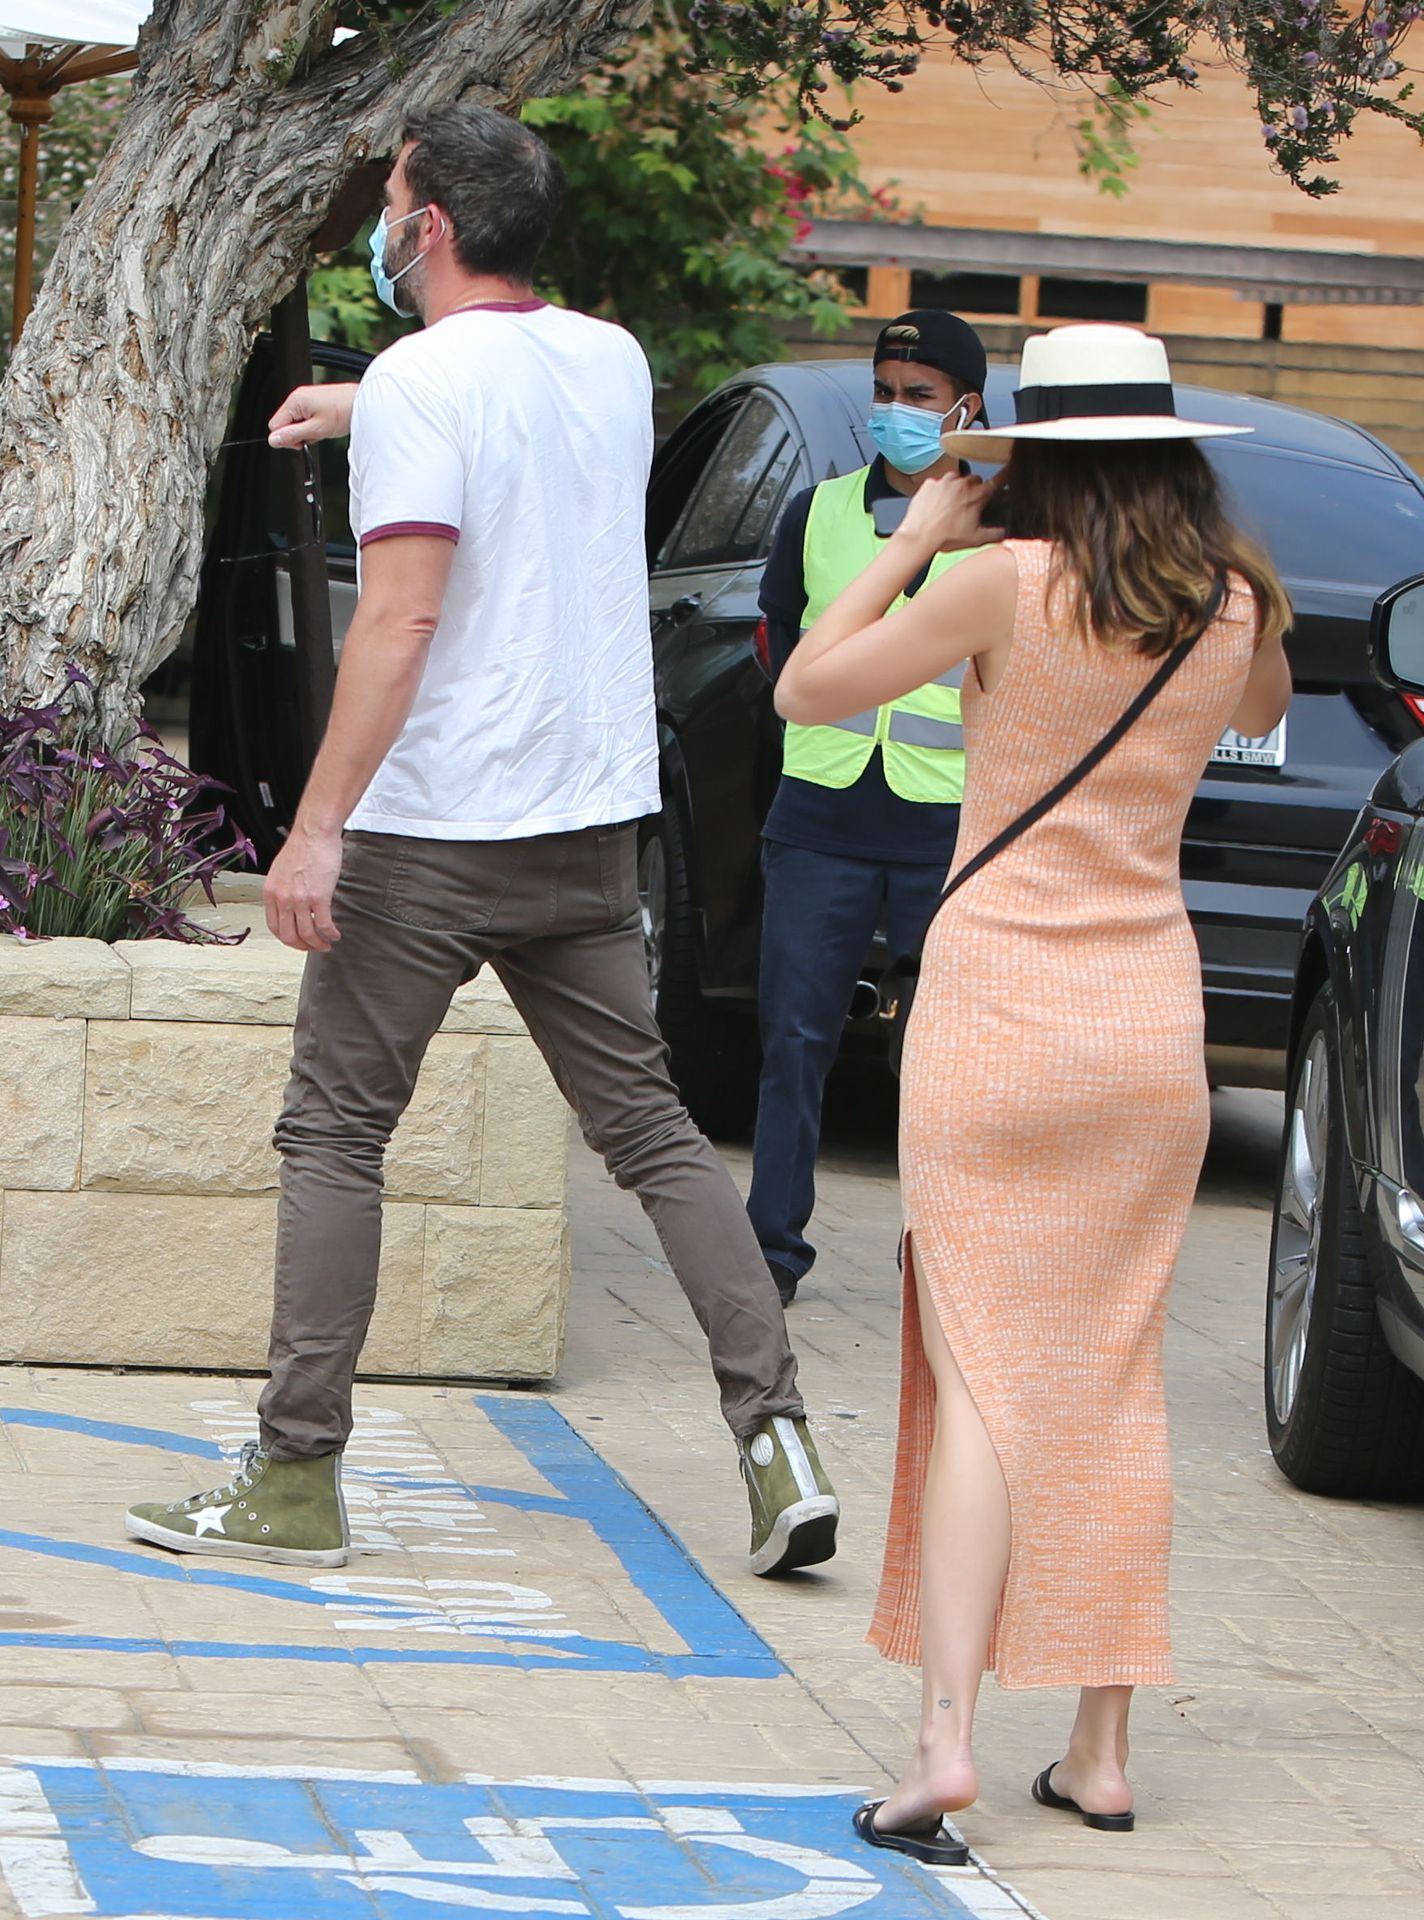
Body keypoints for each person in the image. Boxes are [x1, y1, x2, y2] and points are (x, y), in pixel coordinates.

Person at [124, 104, 838, 1581]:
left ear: (428, 225)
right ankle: (777, 1440)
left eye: (392, 203)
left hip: (433, 832)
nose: (383, 229)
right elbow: (503, 413)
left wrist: (313, 830)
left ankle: (294, 1477)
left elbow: (400, 619)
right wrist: (364, 405)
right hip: (587, 826)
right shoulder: (609, 358)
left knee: (335, 1134)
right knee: (651, 1134)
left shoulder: (424, 382)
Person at [774, 323, 1291, 1852]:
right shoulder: (1229, 600)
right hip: (1148, 1021)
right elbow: (1265, 708)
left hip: (999, 1011)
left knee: (985, 1381)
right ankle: (1102, 1753)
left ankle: (945, 1744)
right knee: (1112, 1376)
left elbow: (807, 687)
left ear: (1035, 458)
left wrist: (916, 541)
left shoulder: (1001, 582)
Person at [750, 310, 990, 1308]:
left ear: (967, 407)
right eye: (884, 392)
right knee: (793, 1039)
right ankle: (769, 1255)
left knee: (948, 1059)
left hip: (951, 822)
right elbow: (777, 640)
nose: (895, 410)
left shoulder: (1008, 527)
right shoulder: (816, 514)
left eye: (919, 396)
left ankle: (947, 1260)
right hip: (821, 813)